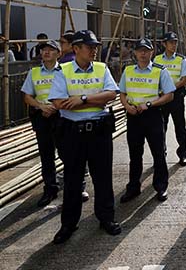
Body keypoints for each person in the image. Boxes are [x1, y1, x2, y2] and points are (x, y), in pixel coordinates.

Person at [48, 30, 121, 244]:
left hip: (99, 132)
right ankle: (68, 224)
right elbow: (59, 103)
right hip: (73, 134)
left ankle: (106, 218)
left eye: (95, 46)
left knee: (103, 177)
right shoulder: (63, 70)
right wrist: (95, 101)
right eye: (89, 47)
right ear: (76, 48)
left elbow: (110, 95)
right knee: (72, 180)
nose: (94, 50)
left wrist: (81, 99)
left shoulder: (102, 68)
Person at [119, 38, 175, 203]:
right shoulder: (128, 70)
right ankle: (133, 187)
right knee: (135, 154)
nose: (143, 54)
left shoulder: (160, 71)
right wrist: (126, 106)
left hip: (152, 116)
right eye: (140, 50)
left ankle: (161, 186)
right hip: (133, 116)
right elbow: (122, 93)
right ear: (135, 53)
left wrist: (150, 104)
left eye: (146, 50)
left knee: (158, 153)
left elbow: (169, 95)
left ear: (152, 52)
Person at [21, 40, 63, 207]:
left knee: (68, 153)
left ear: (58, 53)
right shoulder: (34, 72)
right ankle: (50, 188)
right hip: (42, 117)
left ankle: (75, 186)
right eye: (43, 49)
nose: (46, 52)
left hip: (61, 116)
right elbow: (27, 96)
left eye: (50, 49)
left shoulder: (65, 71)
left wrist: (56, 106)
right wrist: (41, 106)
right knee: (46, 155)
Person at [154, 32, 186, 166]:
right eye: (171, 42)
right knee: (160, 127)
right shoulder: (157, 60)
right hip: (162, 98)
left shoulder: (181, 59)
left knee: (180, 126)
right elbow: (154, 78)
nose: (174, 45)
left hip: (176, 97)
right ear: (164, 44)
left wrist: (169, 88)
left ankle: (183, 153)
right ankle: (161, 153)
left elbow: (184, 80)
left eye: (175, 42)